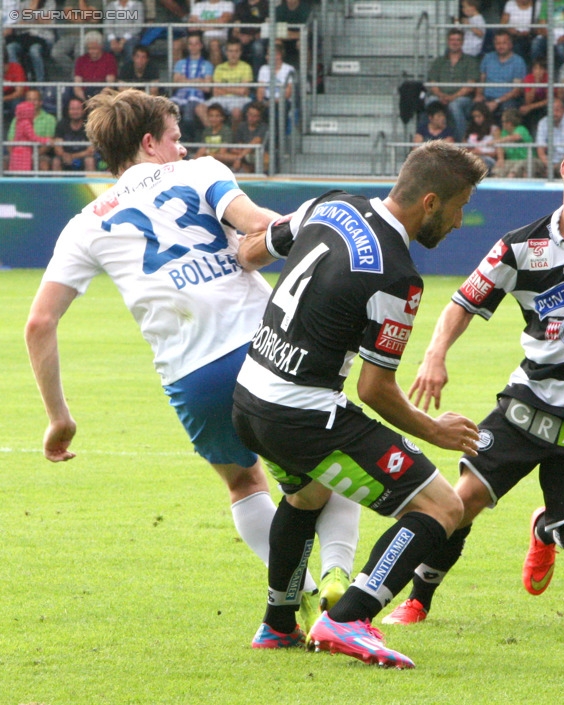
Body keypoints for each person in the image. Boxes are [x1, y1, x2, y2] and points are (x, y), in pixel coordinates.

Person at [25, 88, 361, 636]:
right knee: (331, 459)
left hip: (191, 374)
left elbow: (39, 322)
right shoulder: (201, 171)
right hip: (265, 347)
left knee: (244, 484)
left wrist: (59, 417)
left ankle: (292, 595)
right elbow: (261, 224)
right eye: (176, 139)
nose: (184, 149)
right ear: (150, 142)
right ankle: (336, 578)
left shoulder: (84, 224)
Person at [381, 126, 564, 626]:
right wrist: (435, 354)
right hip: (528, 406)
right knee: (461, 502)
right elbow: (463, 302)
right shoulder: (520, 246)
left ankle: (546, 529)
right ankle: (417, 600)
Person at [230, 141, 487, 667]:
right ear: (431, 202)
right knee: (443, 506)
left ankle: (278, 623)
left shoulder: (332, 204)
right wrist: (433, 430)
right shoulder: (398, 278)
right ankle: (349, 617)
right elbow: (374, 389)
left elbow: (251, 251)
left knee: (308, 495)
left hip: (249, 396)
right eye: (459, 207)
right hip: (301, 414)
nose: (461, 222)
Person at [425, 27, 481, 141]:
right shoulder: (439, 61)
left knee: (454, 105)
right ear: (447, 41)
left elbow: (470, 85)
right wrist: (441, 96)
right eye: (452, 40)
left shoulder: (470, 61)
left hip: (463, 99)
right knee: (430, 101)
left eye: (458, 40)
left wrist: (452, 97)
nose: (454, 43)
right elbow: (432, 83)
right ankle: (428, 140)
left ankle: (461, 142)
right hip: (440, 96)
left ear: (462, 42)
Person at [171, 32, 214, 142]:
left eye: (196, 43)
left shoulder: (207, 65)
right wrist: (198, 81)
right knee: (166, 112)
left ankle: (190, 145)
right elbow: (175, 84)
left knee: (188, 116)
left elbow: (207, 88)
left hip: (196, 98)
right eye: (191, 44)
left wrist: (185, 80)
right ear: (187, 46)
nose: (193, 46)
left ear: (201, 45)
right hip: (179, 97)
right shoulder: (180, 63)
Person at [205, 37, 255, 128]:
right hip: (221, 98)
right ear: (226, 52)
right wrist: (235, 89)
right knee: (200, 108)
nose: (233, 54)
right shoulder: (219, 68)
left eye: (236, 51)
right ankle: (214, 134)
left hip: (239, 99)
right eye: (231, 51)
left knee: (236, 112)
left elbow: (243, 91)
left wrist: (223, 87)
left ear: (240, 52)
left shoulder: (246, 67)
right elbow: (216, 91)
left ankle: (233, 140)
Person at [477, 30, 527, 119]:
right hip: (487, 97)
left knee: (508, 110)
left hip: (507, 100)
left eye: (504, 43)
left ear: (511, 44)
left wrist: (497, 101)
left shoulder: (518, 61)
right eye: (498, 43)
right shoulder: (487, 58)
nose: (500, 46)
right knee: (476, 108)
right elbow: (481, 81)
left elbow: (516, 91)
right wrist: (479, 95)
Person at [6, 0, 56, 82]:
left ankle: (40, 83)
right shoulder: (22, 4)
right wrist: (35, 18)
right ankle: (17, 80)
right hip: (24, 38)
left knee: (34, 51)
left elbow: (48, 21)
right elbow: (17, 23)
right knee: (10, 48)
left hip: (43, 38)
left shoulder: (49, 3)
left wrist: (33, 11)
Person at [6, 87, 56, 170]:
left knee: (43, 164)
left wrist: (34, 156)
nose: (32, 102)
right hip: (21, 153)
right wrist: (14, 154)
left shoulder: (49, 119)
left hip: (39, 154)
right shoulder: (19, 120)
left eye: (35, 100)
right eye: (29, 99)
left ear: (40, 102)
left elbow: (47, 146)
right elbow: (31, 138)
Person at [535, 97, 564, 176]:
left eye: (557, 110)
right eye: (552, 110)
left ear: (563, 110)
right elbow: (540, 150)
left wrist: (557, 166)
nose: (554, 113)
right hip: (547, 161)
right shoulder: (543, 122)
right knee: (531, 164)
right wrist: (549, 166)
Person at [51, 96, 96, 172]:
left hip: (83, 158)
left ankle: (90, 184)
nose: (75, 112)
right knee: (56, 161)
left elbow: (91, 150)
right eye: (72, 109)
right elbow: (58, 148)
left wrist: (72, 156)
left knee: (90, 161)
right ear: (68, 110)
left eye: (78, 109)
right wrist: (65, 156)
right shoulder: (62, 124)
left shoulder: (90, 125)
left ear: (83, 110)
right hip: (65, 158)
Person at [73, 31, 118, 102]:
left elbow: (110, 85)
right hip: (85, 97)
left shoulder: (109, 59)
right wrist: (87, 101)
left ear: (101, 46)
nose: (92, 51)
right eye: (90, 48)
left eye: (95, 48)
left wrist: (98, 100)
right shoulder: (81, 60)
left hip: (103, 97)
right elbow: (77, 87)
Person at [189, 0, 235, 66]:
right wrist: (216, 25)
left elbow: (223, 22)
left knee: (214, 44)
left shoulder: (227, 4)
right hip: (202, 37)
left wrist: (202, 25)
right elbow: (192, 25)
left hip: (222, 37)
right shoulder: (199, 5)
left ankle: (217, 74)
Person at [229, 0, 268, 72]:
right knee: (227, 48)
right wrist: (240, 36)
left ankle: (257, 78)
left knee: (257, 47)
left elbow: (267, 29)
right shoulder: (240, 6)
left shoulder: (266, 5)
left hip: (259, 38)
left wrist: (251, 37)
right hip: (242, 38)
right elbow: (235, 28)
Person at [493, 107, 533, 177]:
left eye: (503, 121)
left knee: (511, 174)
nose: (502, 123)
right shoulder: (504, 132)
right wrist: (501, 159)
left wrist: (498, 140)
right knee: (497, 172)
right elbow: (499, 146)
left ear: (509, 123)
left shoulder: (521, 129)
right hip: (510, 161)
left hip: (524, 160)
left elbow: (516, 137)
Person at [229, 100, 268, 173]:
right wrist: (240, 154)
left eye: (255, 116)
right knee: (218, 156)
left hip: (258, 155)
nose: (251, 118)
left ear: (259, 117)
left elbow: (257, 141)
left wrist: (239, 158)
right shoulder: (242, 126)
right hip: (242, 155)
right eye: (249, 114)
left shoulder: (264, 127)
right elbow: (238, 145)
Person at [464, 100, 499, 172]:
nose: (476, 119)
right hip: (472, 158)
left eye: (479, 116)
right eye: (474, 117)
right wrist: (472, 152)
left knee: (479, 162)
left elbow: (497, 152)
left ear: (485, 115)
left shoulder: (494, 129)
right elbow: (464, 148)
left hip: (488, 159)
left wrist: (482, 153)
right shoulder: (470, 131)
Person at [519, 57, 549, 133]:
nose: (538, 71)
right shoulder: (529, 78)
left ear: (545, 70)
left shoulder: (548, 78)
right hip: (532, 103)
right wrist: (536, 83)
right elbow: (528, 100)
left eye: (541, 69)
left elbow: (550, 99)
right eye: (535, 68)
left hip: (544, 105)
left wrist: (530, 107)